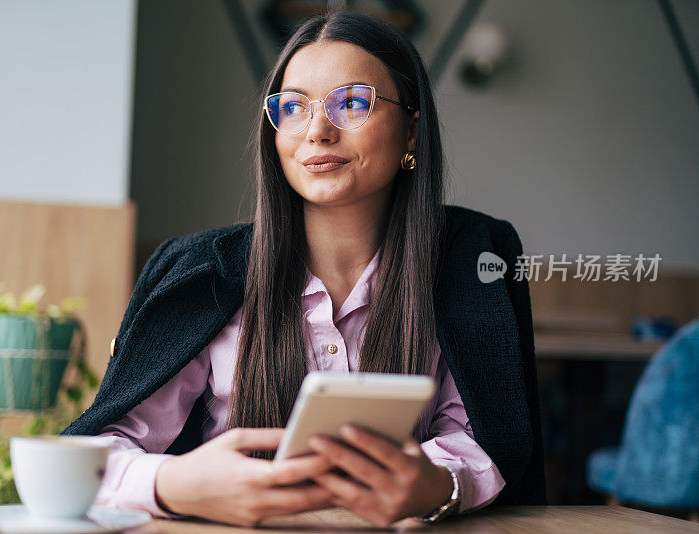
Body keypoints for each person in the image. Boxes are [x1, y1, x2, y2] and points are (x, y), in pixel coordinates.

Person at [62, 10, 546, 527]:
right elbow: (94, 454)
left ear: (411, 130)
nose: (317, 131)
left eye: (353, 102)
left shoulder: (471, 260)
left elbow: (483, 437)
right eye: (292, 107)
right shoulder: (200, 273)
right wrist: (173, 482)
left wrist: (438, 484)